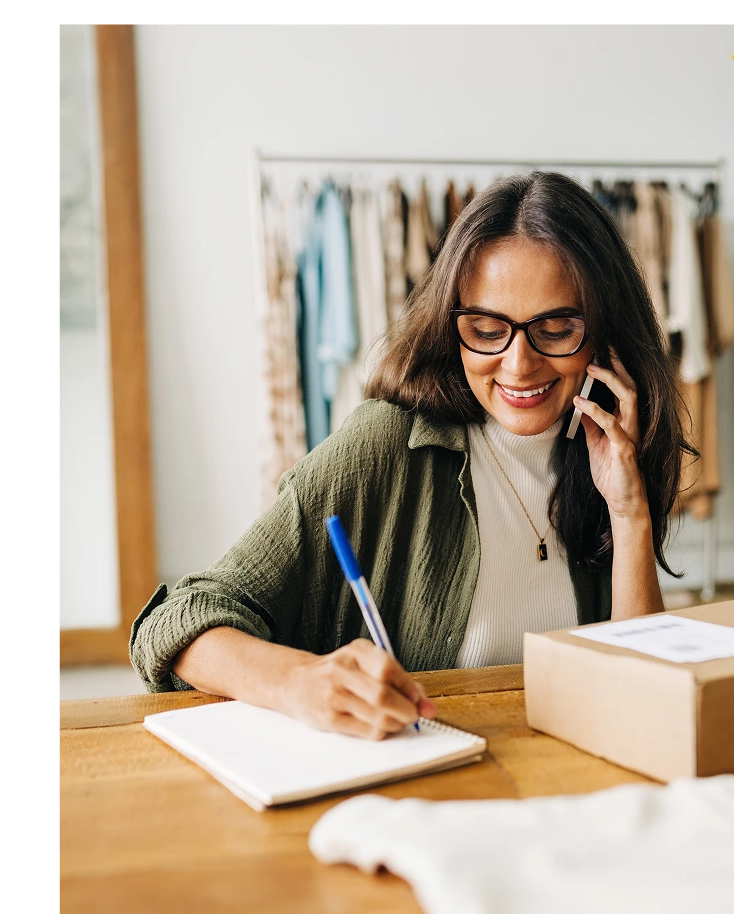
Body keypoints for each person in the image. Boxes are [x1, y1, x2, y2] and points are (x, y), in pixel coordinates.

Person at [130, 171, 692, 740]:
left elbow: (639, 696)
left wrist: (629, 514)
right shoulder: (386, 445)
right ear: (454, 327)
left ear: (603, 335)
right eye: (487, 328)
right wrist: (299, 680)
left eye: (555, 328)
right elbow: (176, 620)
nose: (519, 364)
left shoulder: (601, 457)